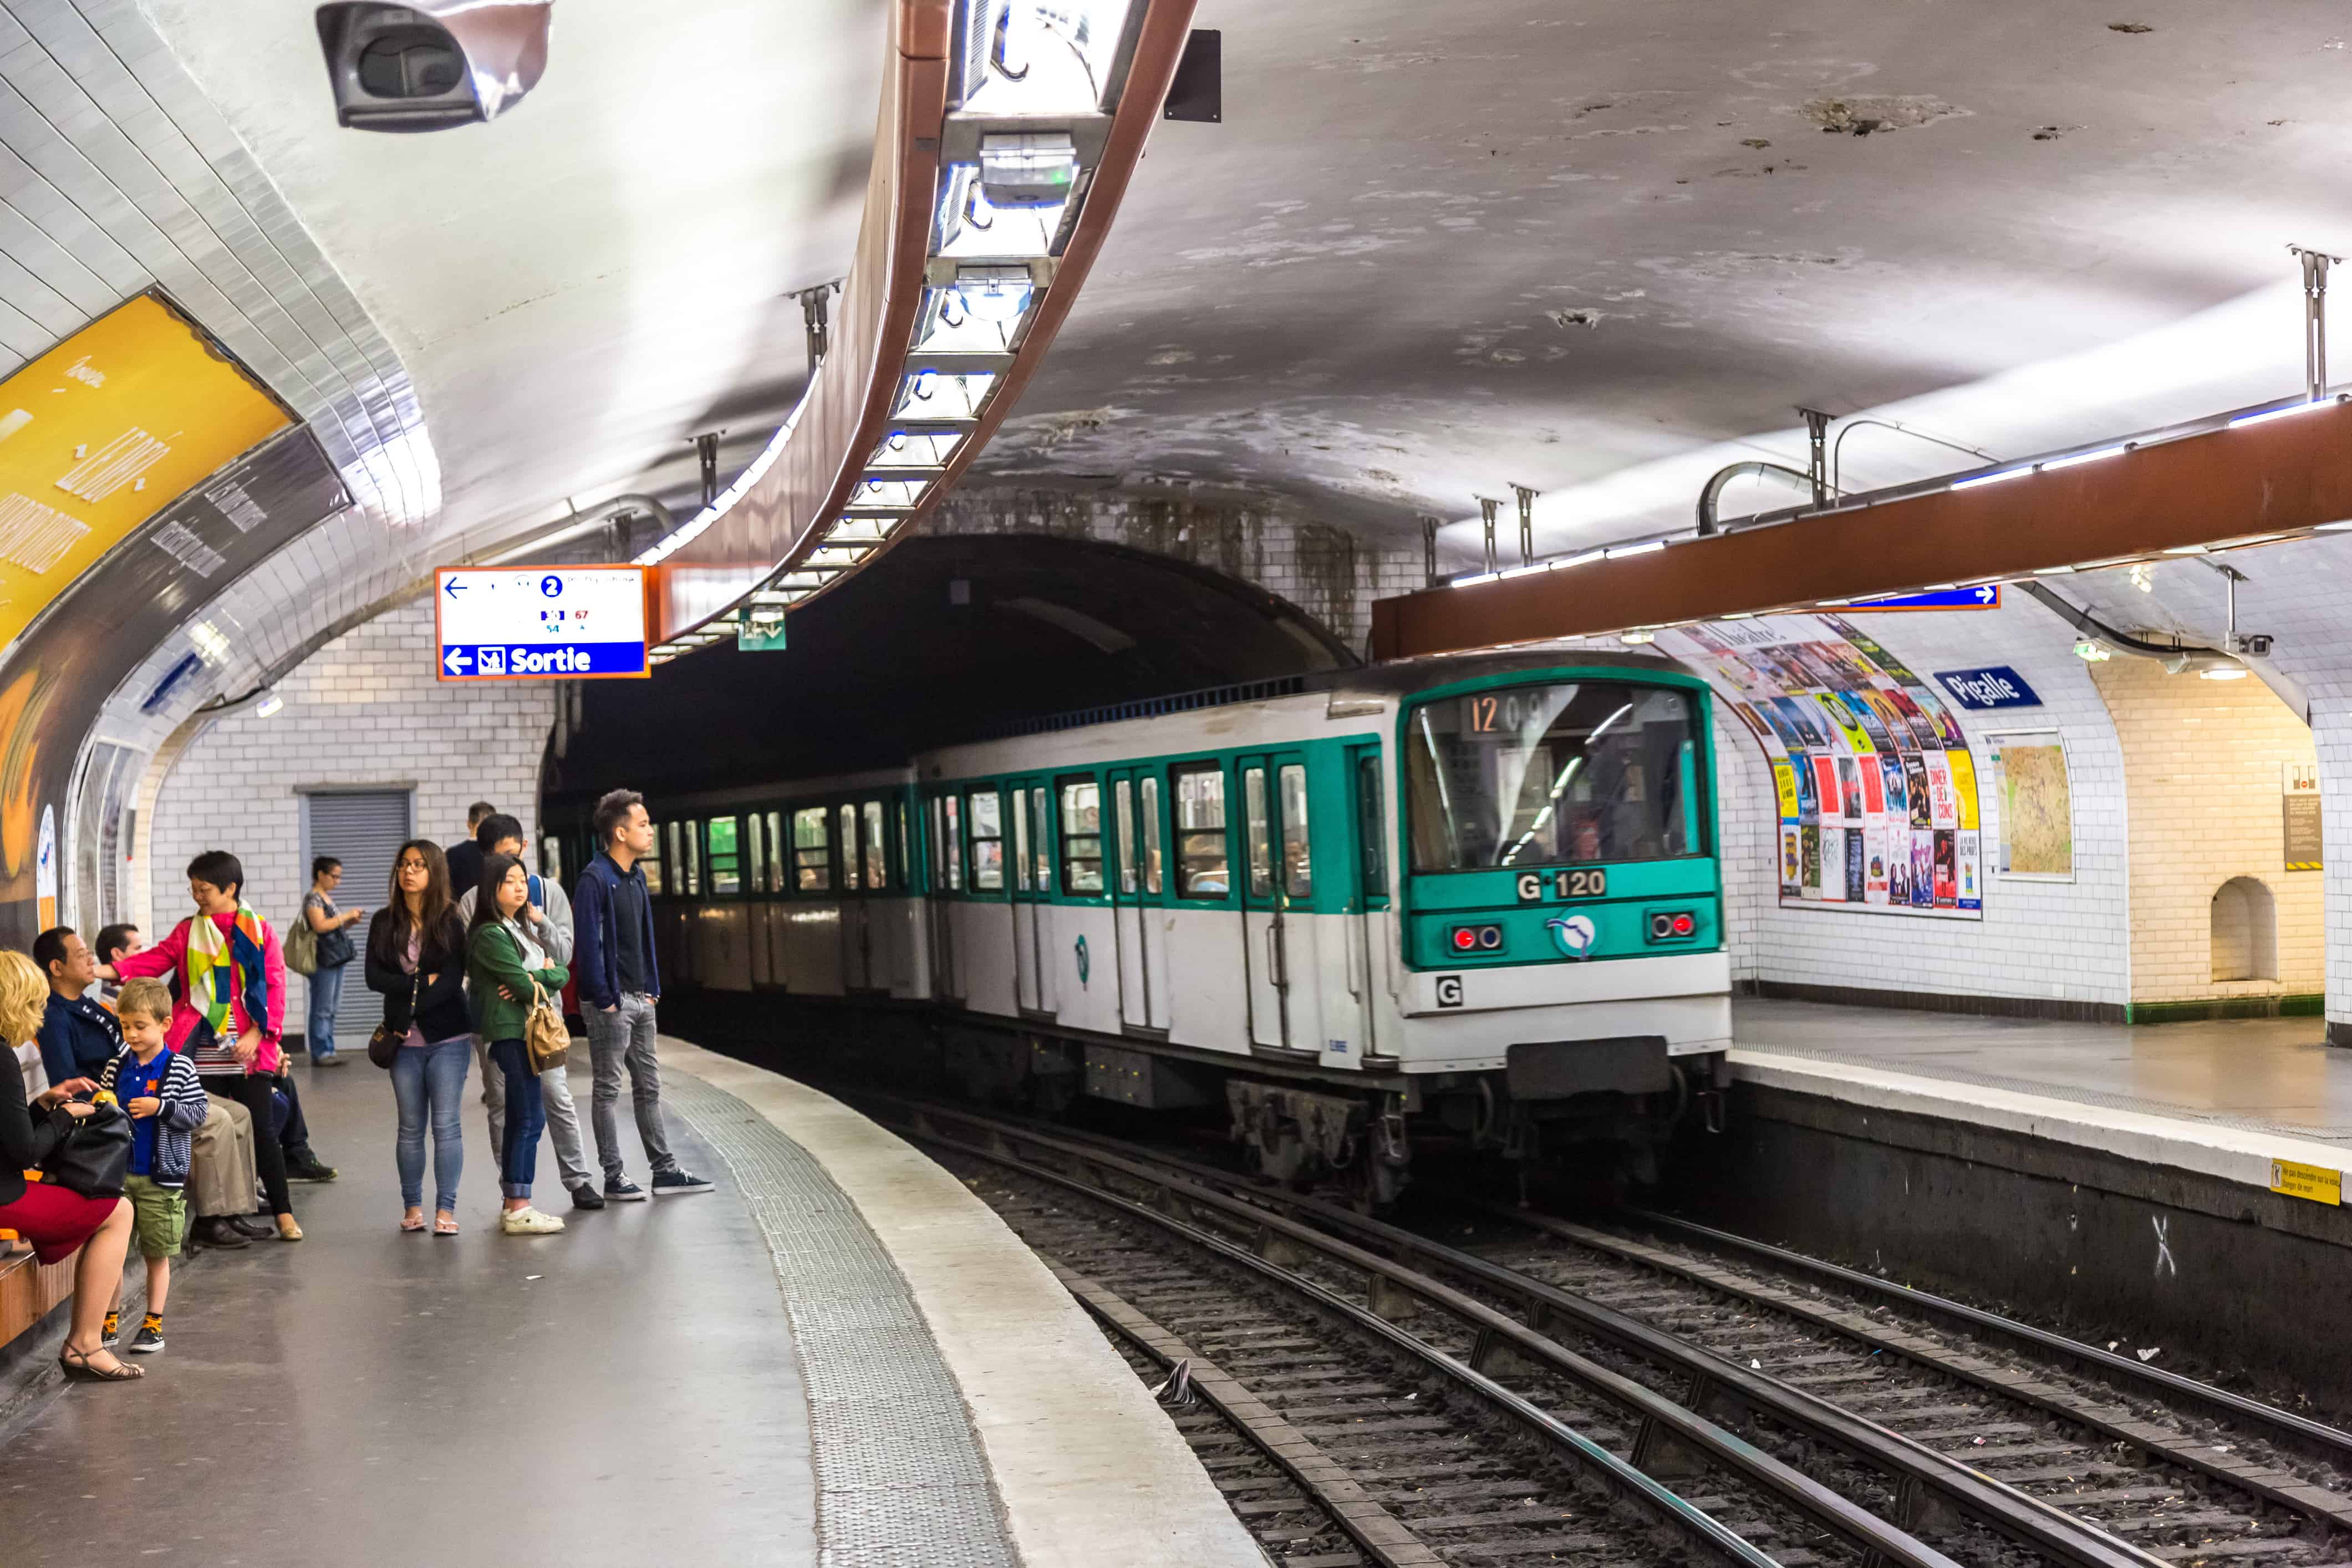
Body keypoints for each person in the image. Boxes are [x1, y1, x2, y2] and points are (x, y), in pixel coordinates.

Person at [106, 852, 305, 1243]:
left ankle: (282, 1212)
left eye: (205, 889)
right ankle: (221, 1215)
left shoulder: (259, 930)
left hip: (247, 1050)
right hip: (199, 1050)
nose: (198, 896)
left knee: (261, 1130)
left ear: (230, 888)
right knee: (215, 1129)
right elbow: (155, 960)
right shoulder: (188, 931)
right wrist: (106, 971)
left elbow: (275, 984)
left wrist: (260, 1035)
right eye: (193, 888)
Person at [0, 950, 140, 1381]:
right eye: (36, 1004)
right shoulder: (2, 1056)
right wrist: (66, 1115)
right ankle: (85, 1344)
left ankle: (86, 1342)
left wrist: (43, 1103)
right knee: (118, 1211)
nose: (40, 1017)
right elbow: (23, 1154)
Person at [456, 814, 600, 1211]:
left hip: (544, 1021)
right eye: (496, 861)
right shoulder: (472, 902)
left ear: (523, 847)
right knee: (503, 1103)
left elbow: (565, 956)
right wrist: (535, 974)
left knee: (556, 1096)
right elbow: (478, 963)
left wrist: (542, 931)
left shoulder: (548, 892)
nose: (510, 873)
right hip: (499, 1020)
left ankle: (578, 1180)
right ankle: (514, 1193)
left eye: (512, 855)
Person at [573, 789, 710, 1200]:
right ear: (620, 832)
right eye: (643, 824)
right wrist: (604, 997)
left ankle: (664, 1170)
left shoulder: (636, 877)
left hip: (641, 998)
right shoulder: (595, 880)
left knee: (649, 1087)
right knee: (608, 1090)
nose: (650, 831)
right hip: (611, 1002)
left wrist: (652, 988)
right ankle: (614, 1177)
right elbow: (588, 945)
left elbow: (644, 938)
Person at [366, 839, 472, 1235]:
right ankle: (413, 1208)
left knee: (446, 1126)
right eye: (404, 865)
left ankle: (446, 1210)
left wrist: (408, 1002)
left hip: (448, 1038)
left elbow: (450, 981)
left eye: (419, 865)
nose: (409, 871)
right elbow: (373, 977)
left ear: (434, 873)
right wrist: (415, 982)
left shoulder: (448, 919)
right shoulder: (383, 921)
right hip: (402, 1044)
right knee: (410, 1128)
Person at [97, 979, 206, 1355]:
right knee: (110, 1253)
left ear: (164, 1024)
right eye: (125, 1026)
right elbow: (103, 1111)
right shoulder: (115, 1067)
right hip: (118, 1176)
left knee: (156, 1254)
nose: (132, 1034)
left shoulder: (180, 1068)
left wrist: (161, 1108)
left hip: (161, 1178)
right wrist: (103, 1105)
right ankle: (107, 1320)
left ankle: (153, 1324)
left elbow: (198, 1114)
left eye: (140, 1026)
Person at [467, 854, 571, 1235]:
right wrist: (538, 973)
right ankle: (519, 1206)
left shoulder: (518, 928)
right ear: (492, 888)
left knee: (521, 1117)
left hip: (522, 1030)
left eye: (523, 881)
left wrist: (540, 971)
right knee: (529, 1117)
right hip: (511, 1034)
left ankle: (515, 1202)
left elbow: (559, 969)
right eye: (510, 880)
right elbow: (528, 985)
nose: (520, 887)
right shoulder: (490, 934)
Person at [301, 857, 368, 1067]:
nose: (337, 882)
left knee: (332, 1006)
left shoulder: (326, 898)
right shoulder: (314, 899)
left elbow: (332, 929)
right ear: (321, 875)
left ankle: (328, 1049)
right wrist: (345, 915)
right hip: (323, 960)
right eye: (335, 876)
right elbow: (320, 926)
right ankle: (321, 1052)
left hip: (335, 957)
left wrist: (348, 922)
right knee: (322, 1007)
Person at [33, 927, 120, 1087]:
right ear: (57, 968)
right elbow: (67, 1085)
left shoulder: (83, 1002)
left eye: (89, 954)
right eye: (81, 955)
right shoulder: (53, 1017)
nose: (91, 961)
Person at [444, 802, 496, 905]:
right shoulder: (497, 853)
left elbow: (446, 889)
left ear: (469, 824)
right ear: (493, 826)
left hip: (460, 913)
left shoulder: (451, 854)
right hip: (491, 913)